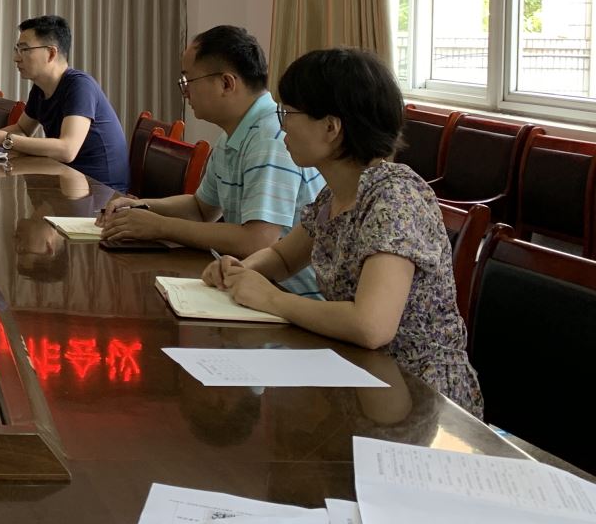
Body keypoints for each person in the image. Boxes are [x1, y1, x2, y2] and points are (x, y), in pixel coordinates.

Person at [200, 46, 483, 416]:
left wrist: (270, 298)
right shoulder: (336, 192)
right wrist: (240, 270)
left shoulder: (394, 198)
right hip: (361, 374)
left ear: (331, 128)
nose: (281, 124)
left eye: (288, 113)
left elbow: (371, 326)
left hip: (421, 397)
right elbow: (284, 257)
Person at [99, 25, 323, 296]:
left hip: (286, 296)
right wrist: (142, 206)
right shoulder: (235, 133)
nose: (185, 92)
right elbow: (201, 208)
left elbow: (257, 241)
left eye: (188, 81)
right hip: (249, 285)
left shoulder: (269, 137)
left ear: (226, 83)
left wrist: (159, 226)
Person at [0, 14, 130, 191]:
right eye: (17, 49)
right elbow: (22, 129)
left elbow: (67, 150)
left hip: (101, 190)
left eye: (24, 50)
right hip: (68, 180)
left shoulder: (79, 85)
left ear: (51, 53)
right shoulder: (40, 88)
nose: (16, 58)